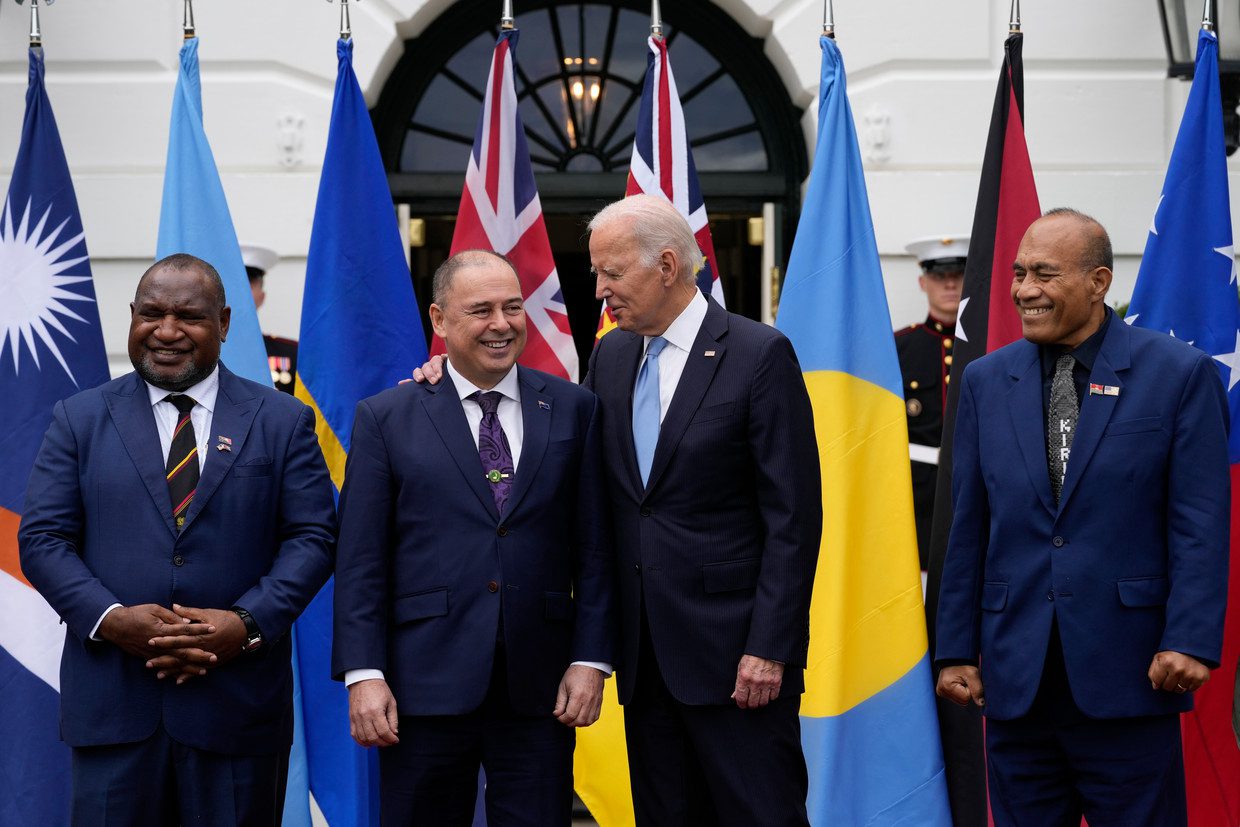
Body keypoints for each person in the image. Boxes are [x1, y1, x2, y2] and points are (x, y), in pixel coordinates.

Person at [412, 196, 822, 825]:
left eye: (611, 273)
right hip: (644, 659)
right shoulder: (614, 355)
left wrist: (769, 647)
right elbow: (554, 445)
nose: (598, 289)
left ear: (666, 265)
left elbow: (792, 518)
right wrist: (450, 378)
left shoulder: (757, 354)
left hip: (736, 658)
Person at [935, 209, 1230, 826]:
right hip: (1017, 684)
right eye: (1020, 273)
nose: (1024, 290)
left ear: (1099, 281)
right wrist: (955, 650)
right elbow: (969, 525)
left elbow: (1199, 522)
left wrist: (1189, 638)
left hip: (1131, 676)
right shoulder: (987, 381)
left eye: (1045, 273)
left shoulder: (1178, 375)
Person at [19, 253, 337, 825]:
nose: (166, 332)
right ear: (132, 317)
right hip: (115, 704)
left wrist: (244, 625)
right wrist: (113, 620)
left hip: (236, 707)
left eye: (188, 316)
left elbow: (313, 538)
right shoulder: (79, 418)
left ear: (224, 323)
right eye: (151, 314)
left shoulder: (282, 420)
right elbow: (43, 539)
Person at [332, 250, 615, 826]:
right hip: (421, 685)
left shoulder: (574, 408)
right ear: (439, 320)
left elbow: (596, 547)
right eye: (480, 309)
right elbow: (362, 559)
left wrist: (591, 659)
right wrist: (365, 675)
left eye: (513, 307)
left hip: (541, 687)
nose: (501, 324)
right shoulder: (386, 417)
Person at [895, 234, 967, 572]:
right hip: (915, 497)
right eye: (939, 275)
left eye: (958, 273)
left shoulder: (994, 346)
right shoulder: (897, 349)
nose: (950, 283)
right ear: (923, 281)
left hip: (974, 489)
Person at [242, 242, 298, 395]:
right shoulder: (202, 353)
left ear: (262, 297)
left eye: (248, 285)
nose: (240, 294)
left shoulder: (292, 353)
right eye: (234, 285)